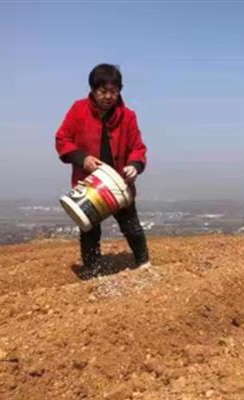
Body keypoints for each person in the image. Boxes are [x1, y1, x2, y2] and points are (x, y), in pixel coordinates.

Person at [55, 63, 150, 275]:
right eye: (102, 91)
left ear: (119, 91)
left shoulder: (128, 116)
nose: (108, 96)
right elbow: (63, 139)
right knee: (89, 228)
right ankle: (92, 271)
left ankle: (144, 264)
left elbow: (138, 148)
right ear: (92, 90)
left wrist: (135, 165)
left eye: (113, 91)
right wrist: (82, 158)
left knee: (131, 227)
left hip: (119, 183)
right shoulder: (78, 110)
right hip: (89, 184)